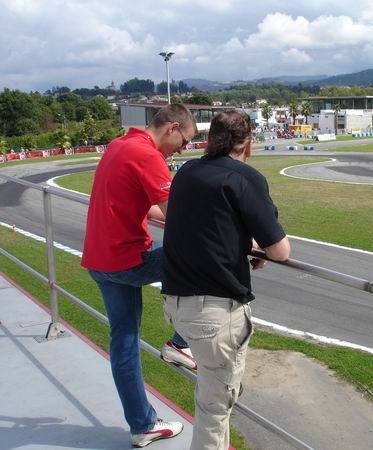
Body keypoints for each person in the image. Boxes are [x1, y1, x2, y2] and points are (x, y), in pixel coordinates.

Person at [162, 110, 291, 450]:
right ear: (247, 142)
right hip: (214, 315)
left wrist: (243, 244)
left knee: (212, 395)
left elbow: (207, 226)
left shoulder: (187, 171)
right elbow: (280, 251)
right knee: (214, 410)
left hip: (177, 305)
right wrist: (258, 247)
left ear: (210, 139)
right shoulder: (245, 178)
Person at [81, 104, 198, 448]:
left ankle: (142, 425)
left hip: (99, 262)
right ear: (172, 128)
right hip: (125, 261)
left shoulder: (119, 145)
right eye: (184, 141)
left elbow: (141, 204)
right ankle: (179, 343)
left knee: (124, 342)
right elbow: (183, 217)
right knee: (203, 258)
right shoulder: (148, 155)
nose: (182, 150)